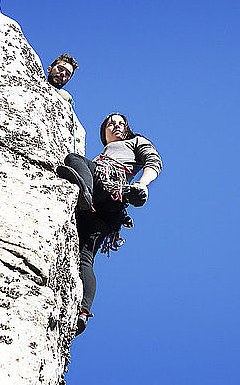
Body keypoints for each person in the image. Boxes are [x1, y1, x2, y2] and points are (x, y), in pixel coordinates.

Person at [56, 113, 162, 335]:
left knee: (75, 159)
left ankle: (84, 194)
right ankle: (83, 312)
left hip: (109, 186)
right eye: (111, 123)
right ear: (103, 131)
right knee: (84, 258)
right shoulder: (105, 152)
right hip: (107, 213)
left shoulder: (135, 142)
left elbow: (154, 162)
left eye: (121, 123)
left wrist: (142, 185)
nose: (117, 126)